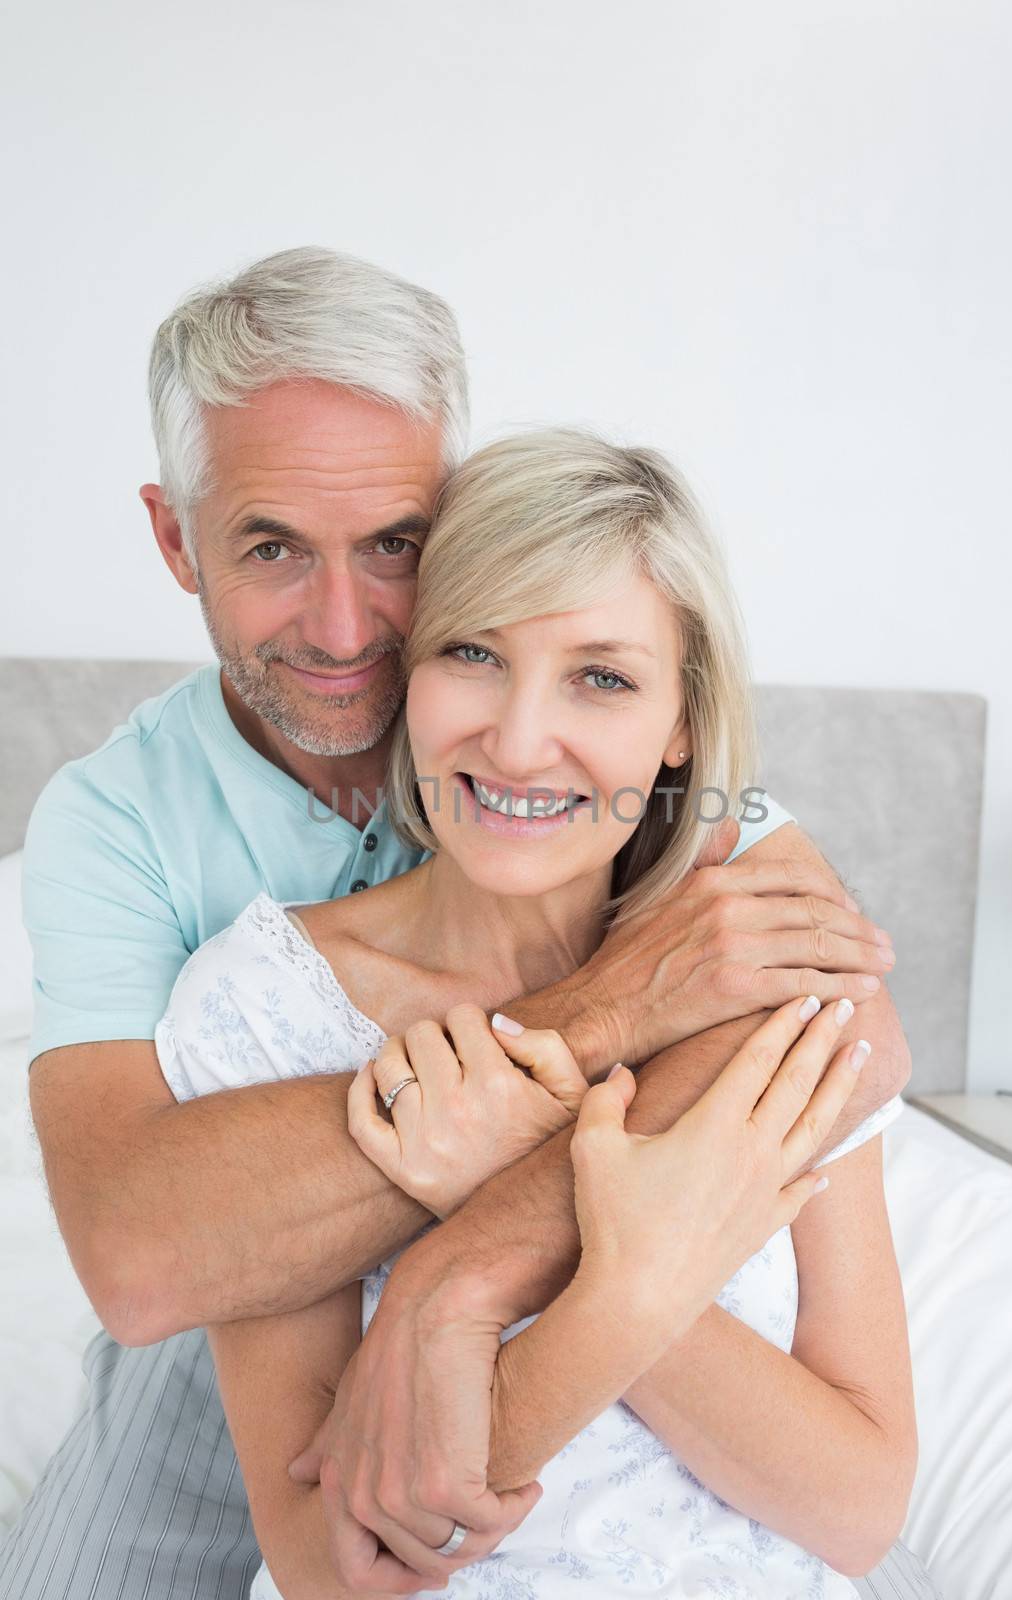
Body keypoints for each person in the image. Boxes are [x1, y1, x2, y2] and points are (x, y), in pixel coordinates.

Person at [0, 249, 922, 1600]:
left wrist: (466, 1275)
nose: (344, 625)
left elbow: (853, 1023)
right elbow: (146, 1269)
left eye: (395, 551)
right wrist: (600, 1042)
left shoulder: (682, 814)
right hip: (214, 1360)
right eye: (270, 547)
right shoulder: (121, 836)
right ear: (175, 535)